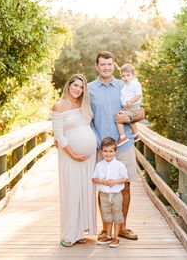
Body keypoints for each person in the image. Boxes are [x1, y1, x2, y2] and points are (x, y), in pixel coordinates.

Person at [88, 50, 144, 241]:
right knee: (103, 187)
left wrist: (127, 117)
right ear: (97, 66)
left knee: (125, 186)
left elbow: (141, 114)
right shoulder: (89, 89)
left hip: (124, 143)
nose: (106, 67)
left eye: (109, 64)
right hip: (101, 147)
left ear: (114, 66)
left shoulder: (125, 85)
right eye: (103, 64)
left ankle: (121, 228)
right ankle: (105, 229)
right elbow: (84, 117)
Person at [52, 74, 97, 247]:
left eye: (81, 87)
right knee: (71, 192)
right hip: (70, 156)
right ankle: (68, 234)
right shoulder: (59, 105)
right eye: (75, 85)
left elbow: (87, 126)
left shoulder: (84, 105)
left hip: (88, 158)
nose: (78, 89)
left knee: (84, 192)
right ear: (68, 85)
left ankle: (79, 232)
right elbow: (59, 135)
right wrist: (73, 154)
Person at [92, 137, 128, 248]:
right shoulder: (99, 165)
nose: (108, 154)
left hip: (116, 194)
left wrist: (114, 182)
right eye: (105, 151)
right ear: (101, 151)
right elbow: (94, 179)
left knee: (117, 215)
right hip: (104, 195)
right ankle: (108, 235)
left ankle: (115, 237)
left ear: (115, 151)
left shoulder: (120, 166)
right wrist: (101, 181)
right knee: (106, 216)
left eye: (111, 151)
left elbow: (125, 179)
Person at [116, 63, 142, 147]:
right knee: (130, 121)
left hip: (133, 107)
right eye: (123, 76)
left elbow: (138, 95)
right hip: (127, 107)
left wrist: (131, 101)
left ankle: (122, 137)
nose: (125, 77)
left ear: (133, 75)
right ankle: (136, 134)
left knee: (118, 119)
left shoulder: (134, 83)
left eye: (128, 75)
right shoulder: (125, 83)